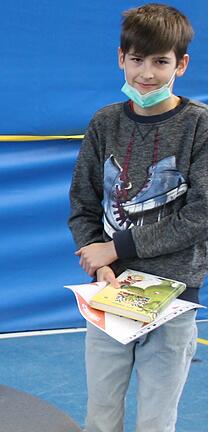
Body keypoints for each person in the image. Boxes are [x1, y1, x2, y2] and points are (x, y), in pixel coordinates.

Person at [68, 4, 206, 432]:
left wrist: (118, 246)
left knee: (156, 420)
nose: (147, 73)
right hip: (110, 294)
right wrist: (100, 259)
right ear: (120, 59)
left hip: (174, 295)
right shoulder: (105, 122)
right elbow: (82, 204)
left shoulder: (198, 125)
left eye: (160, 61)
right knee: (101, 416)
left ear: (180, 65)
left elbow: (200, 214)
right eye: (137, 60)